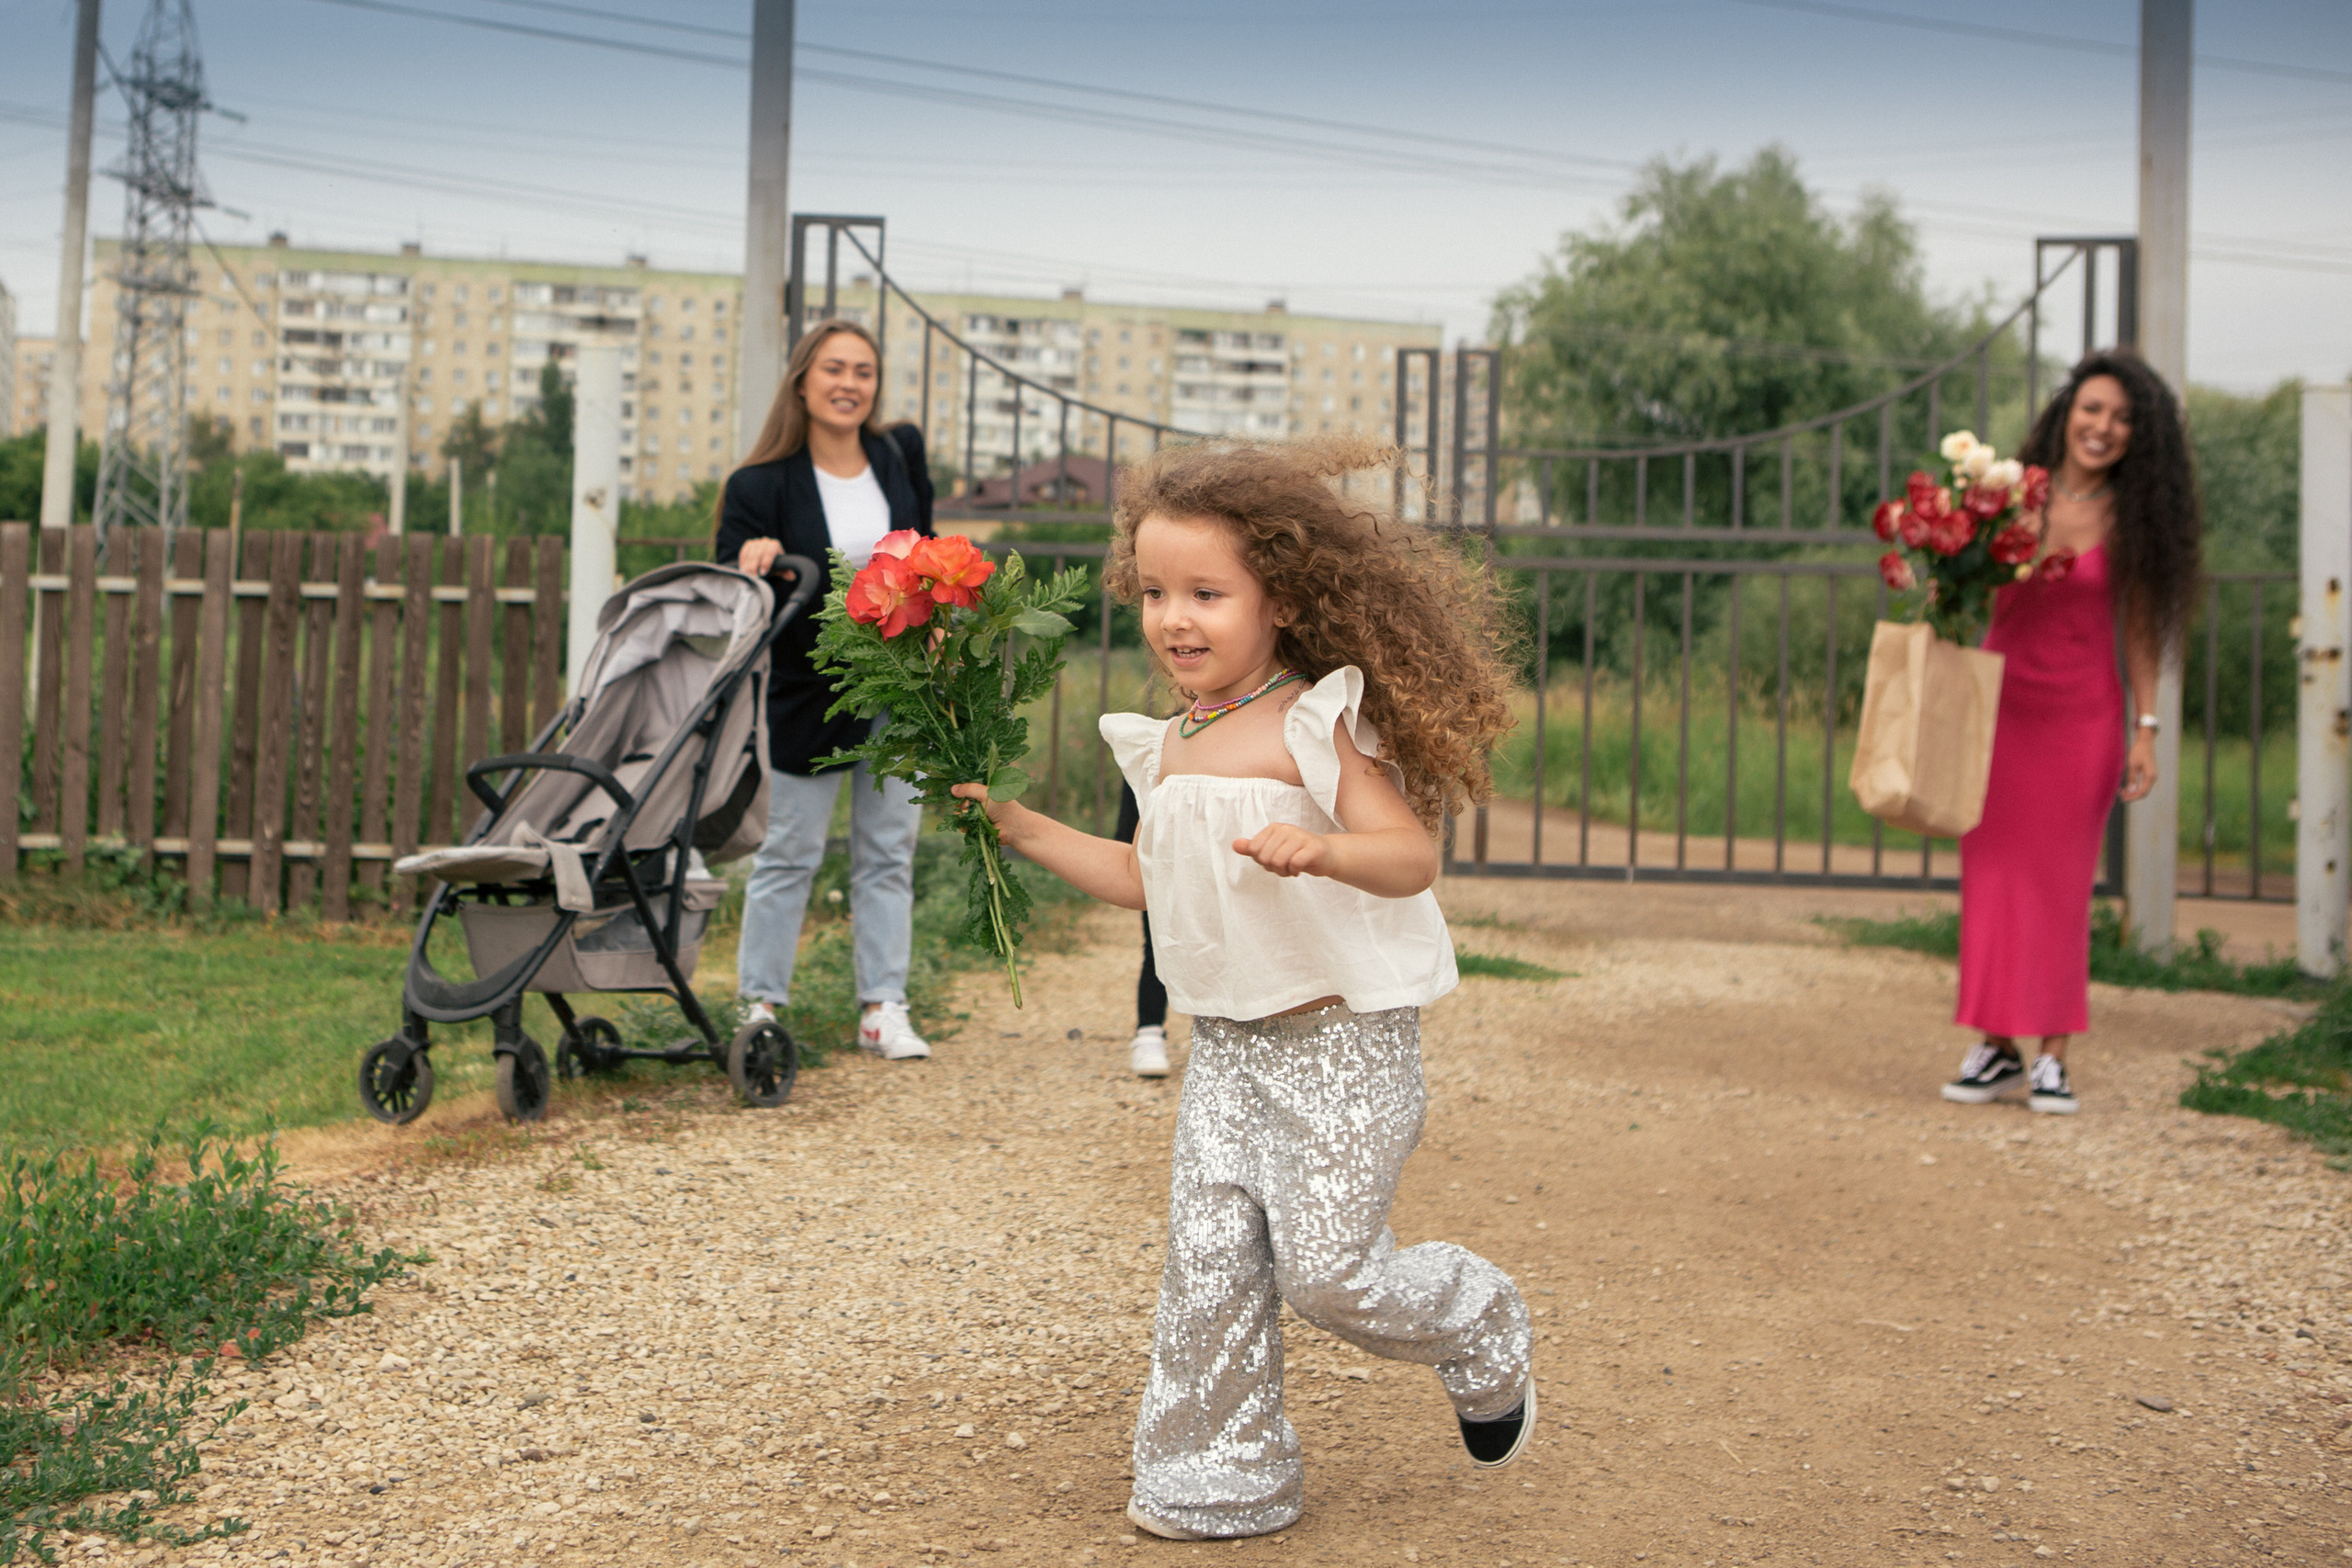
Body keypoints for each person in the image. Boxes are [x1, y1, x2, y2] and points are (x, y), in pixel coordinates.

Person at [951, 435, 1532, 1540]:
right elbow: (1143, 879)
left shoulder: (1316, 721)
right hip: (1225, 1050)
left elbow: (1409, 859)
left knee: (1331, 1276)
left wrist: (1324, 852)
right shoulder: (1171, 742)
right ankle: (1216, 1477)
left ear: (1281, 598)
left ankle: (1479, 1320)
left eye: (1207, 594)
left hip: (1339, 1053)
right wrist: (1021, 827)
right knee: (1209, 1273)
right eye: (1157, 591)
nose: (1177, 618)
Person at [1942, 349, 2202, 1114]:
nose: (2104, 427)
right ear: (2066, 411)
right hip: (1997, 713)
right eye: (2094, 409)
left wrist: (2146, 729)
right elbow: (1959, 590)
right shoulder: (2006, 495)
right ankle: (1994, 1045)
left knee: (2059, 886)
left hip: (2082, 721)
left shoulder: (2135, 521)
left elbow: (2143, 635)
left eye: (2123, 419)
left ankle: (2053, 1053)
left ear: (2138, 437)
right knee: (1992, 881)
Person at [716, 320, 936, 1061]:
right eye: (834, 368)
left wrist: (934, 620)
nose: (849, 383)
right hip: (807, 693)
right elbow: (731, 590)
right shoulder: (758, 485)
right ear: (803, 380)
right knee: (789, 854)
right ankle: (761, 1002)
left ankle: (883, 1006)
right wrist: (755, 561)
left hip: (897, 685)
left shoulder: (896, 457)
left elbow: (924, 555)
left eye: (864, 371)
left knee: (887, 851)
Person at [1113, 781, 1171, 1077]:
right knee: (1158, 939)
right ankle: (1149, 1030)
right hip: (1159, 843)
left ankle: (1237, 1035)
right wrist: (1125, 842)